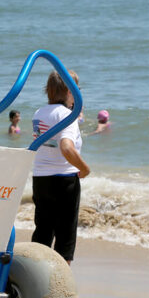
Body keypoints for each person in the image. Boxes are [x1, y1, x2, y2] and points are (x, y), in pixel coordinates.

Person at [30, 69, 90, 263]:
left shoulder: (39, 113)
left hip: (40, 179)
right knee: (65, 236)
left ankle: (35, 275)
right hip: (64, 180)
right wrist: (84, 168)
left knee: (43, 231)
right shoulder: (67, 115)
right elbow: (66, 148)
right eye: (77, 88)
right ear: (69, 91)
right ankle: (59, 285)